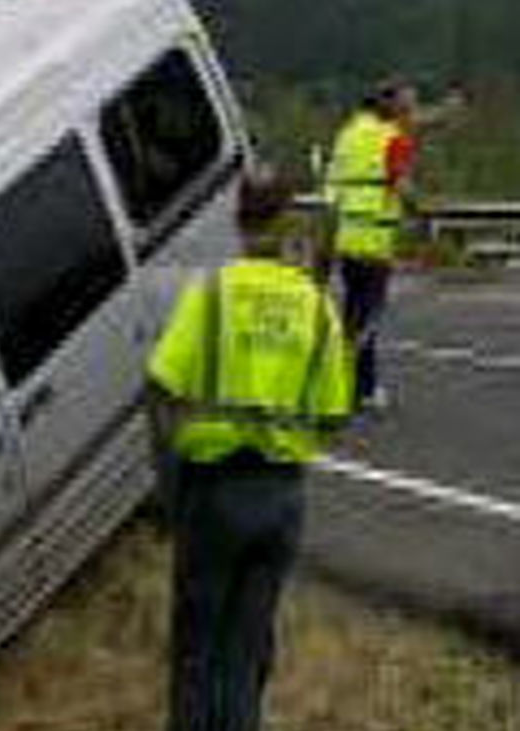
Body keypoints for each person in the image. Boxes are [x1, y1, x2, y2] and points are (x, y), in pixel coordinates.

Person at [150, 169, 354, 731]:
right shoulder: (318, 308)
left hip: (214, 492)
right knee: (247, 650)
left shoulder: (212, 294)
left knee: (197, 649)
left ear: (239, 223)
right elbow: (335, 419)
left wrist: (168, 484)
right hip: (282, 496)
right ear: (290, 223)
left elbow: (162, 388)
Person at [324, 79, 465, 410]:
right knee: (367, 319)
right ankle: (360, 387)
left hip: (346, 233)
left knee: (352, 314)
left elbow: (414, 122)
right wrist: (427, 214)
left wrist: (444, 112)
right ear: (391, 107)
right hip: (375, 237)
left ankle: (348, 381)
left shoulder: (352, 132)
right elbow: (401, 184)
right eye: (407, 103)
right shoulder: (392, 139)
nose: (411, 110)